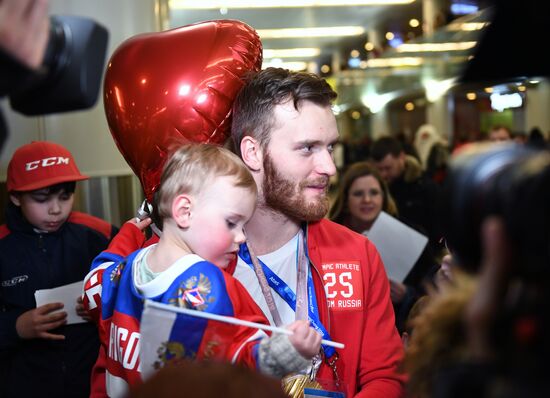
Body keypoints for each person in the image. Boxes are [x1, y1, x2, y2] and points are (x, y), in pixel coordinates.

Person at [83, 143, 322, 398]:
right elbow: (245, 359)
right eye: (231, 222)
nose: (241, 237)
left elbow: (94, 282)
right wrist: (286, 351)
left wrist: (129, 233)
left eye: (243, 225)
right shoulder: (211, 286)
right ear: (185, 212)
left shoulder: (124, 269)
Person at [229, 67, 405, 397]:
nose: (329, 168)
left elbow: (386, 376)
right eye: (308, 148)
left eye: (330, 147)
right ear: (252, 152)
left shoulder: (357, 254)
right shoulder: (196, 262)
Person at [0, 140, 119, 398]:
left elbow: (131, 296)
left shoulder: (100, 235)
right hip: (25, 384)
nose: (56, 209)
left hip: (89, 382)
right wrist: (16, 327)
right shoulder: (3, 247)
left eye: (65, 197)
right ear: (15, 197)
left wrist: (101, 307)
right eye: (41, 199)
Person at [329, 161, 438, 333]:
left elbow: (431, 282)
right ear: (345, 199)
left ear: (383, 197)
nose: (367, 200)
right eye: (358, 194)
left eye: (374, 193)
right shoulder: (329, 238)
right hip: (343, 329)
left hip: (394, 328)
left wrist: (407, 294)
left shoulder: (408, 234)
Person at [370, 136, 440, 248]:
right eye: (379, 169)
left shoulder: (425, 187)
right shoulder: (375, 189)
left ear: (402, 157)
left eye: (388, 168)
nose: (383, 174)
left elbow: (439, 228)